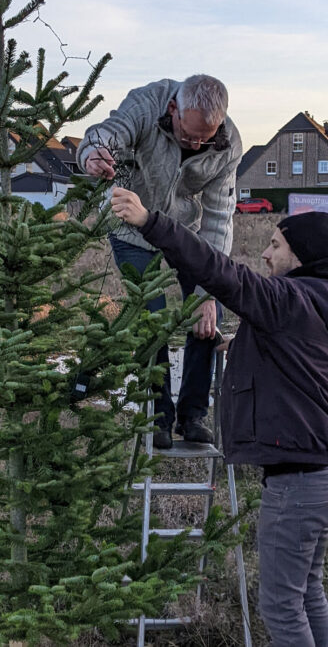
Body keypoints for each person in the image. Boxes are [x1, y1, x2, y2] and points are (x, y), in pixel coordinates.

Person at [110, 188, 328, 647]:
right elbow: (295, 359)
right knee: (308, 592)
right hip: (325, 474)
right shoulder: (325, 300)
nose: (265, 254)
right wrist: (240, 346)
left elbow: (219, 271)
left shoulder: (286, 299)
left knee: (281, 607)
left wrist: (151, 222)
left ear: (301, 257)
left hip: (297, 482)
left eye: (275, 245)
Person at [78, 74, 243, 449]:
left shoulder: (228, 144)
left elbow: (219, 218)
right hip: (130, 229)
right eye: (190, 135)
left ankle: (193, 414)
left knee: (205, 311)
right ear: (173, 110)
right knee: (151, 319)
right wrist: (94, 153)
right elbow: (108, 132)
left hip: (184, 232)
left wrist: (205, 293)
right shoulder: (145, 104)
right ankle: (158, 416)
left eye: (207, 135)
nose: (198, 143)